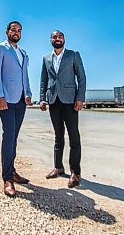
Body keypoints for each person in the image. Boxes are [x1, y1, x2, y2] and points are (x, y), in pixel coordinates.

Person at [0, 21, 32, 197]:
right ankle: (7, 179)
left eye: (19, 30)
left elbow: (25, 75)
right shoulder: (0, 48)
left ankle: (12, 170)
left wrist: (28, 93)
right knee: (8, 136)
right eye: (13, 30)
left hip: (21, 100)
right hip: (6, 98)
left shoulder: (23, 53)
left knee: (14, 137)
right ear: (7, 31)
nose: (16, 32)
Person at [39, 30, 86, 188]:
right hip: (53, 100)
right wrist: (42, 99)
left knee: (74, 136)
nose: (57, 39)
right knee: (58, 136)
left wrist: (80, 98)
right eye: (54, 37)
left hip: (70, 100)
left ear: (64, 39)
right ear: (51, 40)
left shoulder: (73, 55)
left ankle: (75, 173)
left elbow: (81, 78)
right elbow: (43, 80)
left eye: (60, 37)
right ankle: (58, 167)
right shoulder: (46, 58)